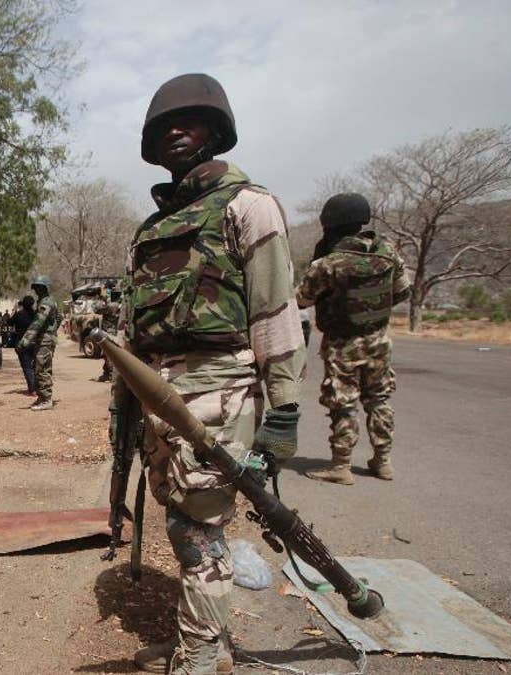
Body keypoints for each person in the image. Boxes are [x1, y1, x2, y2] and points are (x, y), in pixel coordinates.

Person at [122, 74, 306, 675]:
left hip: (220, 391)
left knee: (198, 526)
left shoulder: (249, 207)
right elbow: (134, 333)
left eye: (192, 121)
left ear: (215, 131)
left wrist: (282, 412)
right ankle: (206, 642)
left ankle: (202, 655)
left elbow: (275, 314)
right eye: (165, 125)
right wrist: (125, 405)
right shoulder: (149, 231)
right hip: (158, 394)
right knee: (181, 515)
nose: (177, 131)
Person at [296, 192, 411, 485]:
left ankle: (341, 466)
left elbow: (302, 299)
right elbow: (401, 292)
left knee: (343, 403)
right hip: (379, 340)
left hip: (342, 343)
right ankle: (383, 462)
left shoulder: (330, 263)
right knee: (379, 399)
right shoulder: (389, 253)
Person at [18, 276, 61, 411]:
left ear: (44, 288)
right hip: (45, 339)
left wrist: (24, 341)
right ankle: (42, 397)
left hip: (45, 340)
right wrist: (53, 330)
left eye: (38, 287)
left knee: (41, 368)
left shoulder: (46, 303)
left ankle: (46, 399)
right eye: (35, 287)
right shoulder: (47, 301)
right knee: (39, 367)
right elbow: (59, 318)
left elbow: (37, 323)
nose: (36, 290)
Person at [8, 297, 38, 394]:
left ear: (22, 304)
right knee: (36, 366)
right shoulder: (36, 315)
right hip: (35, 343)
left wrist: (15, 310)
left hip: (21, 344)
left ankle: (32, 389)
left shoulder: (18, 314)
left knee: (27, 367)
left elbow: (9, 322)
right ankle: (37, 387)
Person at [95, 289, 123, 382]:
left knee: (108, 355)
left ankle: (111, 375)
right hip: (115, 332)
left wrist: (102, 300)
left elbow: (97, 310)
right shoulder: (120, 306)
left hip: (107, 332)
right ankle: (106, 374)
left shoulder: (110, 306)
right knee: (108, 354)